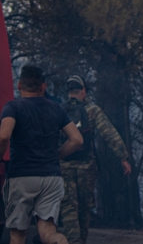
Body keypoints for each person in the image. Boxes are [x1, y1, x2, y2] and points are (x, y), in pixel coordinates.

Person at [0, 65, 83, 244]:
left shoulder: (12, 107)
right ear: (42, 86)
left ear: (20, 84)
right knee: (48, 232)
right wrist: (57, 156)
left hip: (20, 176)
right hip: (51, 177)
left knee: (18, 234)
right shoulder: (57, 109)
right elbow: (77, 139)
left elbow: (4, 136)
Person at [59, 75, 131, 244]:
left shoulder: (59, 110)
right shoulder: (92, 110)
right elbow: (109, 133)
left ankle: (73, 241)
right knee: (84, 208)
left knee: (69, 207)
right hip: (87, 167)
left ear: (69, 92)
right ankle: (81, 240)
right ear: (83, 91)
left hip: (64, 166)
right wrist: (123, 157)